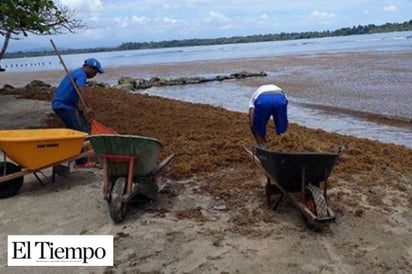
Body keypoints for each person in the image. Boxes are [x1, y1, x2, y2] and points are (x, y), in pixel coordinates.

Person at [52, 58, 104, 168]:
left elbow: (71, 93)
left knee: (70, 132)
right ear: (89, 68)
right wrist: (89, 107)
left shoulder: (75, 72)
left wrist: (78, 107)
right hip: (63, 106)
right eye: (95, 72)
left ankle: (68, 155)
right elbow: (82, 90)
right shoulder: (81, 75)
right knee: (78, 134)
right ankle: (81, 162)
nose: (95, 75)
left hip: (62, 105)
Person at [248, 84, 288, 148]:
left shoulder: (253, 99)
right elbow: (285, 103)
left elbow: (252, 121)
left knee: (257, 127)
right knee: (282, 129)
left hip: (263, 99)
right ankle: (283, 146)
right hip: (280, 97)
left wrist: (255, 130)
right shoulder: (277, 88)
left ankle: (262, 145)